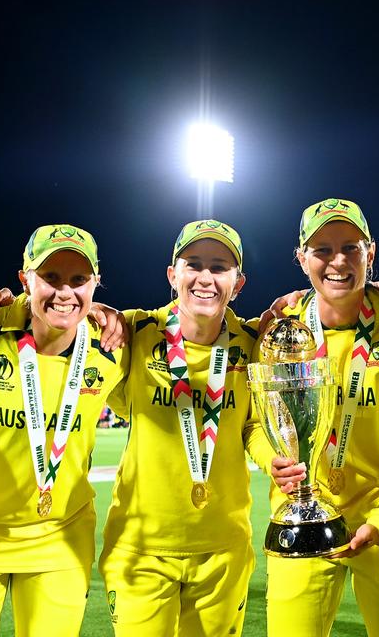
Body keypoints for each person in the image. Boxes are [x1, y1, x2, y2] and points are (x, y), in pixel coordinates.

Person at [257, 198, 379, 637]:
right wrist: (272, 461)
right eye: (322, 250)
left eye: (350, 248)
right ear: (301, 259)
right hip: (300, 518)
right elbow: (253, 423)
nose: (337, 261)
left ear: (370, 254)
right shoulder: (279, 334)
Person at [0, 224, 128, 636]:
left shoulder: (114, 352)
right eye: (50, 278)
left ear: (96, 283)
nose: (64, 292)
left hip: (60, 539)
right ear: (25, 279)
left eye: (79, 280)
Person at [99, 219, 261, 636]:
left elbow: (255, 426)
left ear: (237, 283)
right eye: (194, 264)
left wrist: (276, 456)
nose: (205, 277)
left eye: (220, 267)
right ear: (173, 275)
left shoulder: (253, 343)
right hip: (141, 549)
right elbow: (59, 323)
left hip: (223, 550)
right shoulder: (133, 332)